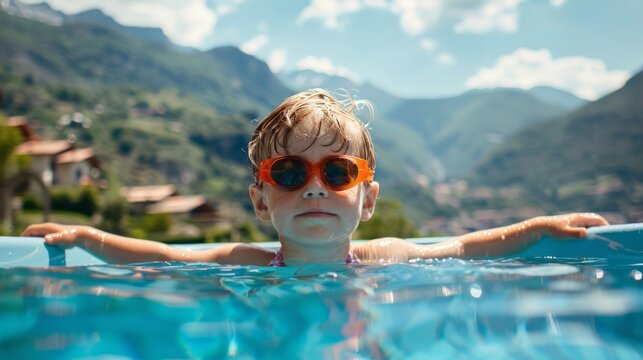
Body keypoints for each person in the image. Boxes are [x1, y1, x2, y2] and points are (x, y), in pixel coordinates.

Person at [21, 89, 609, 266]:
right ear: (260, 198)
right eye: (288, 170)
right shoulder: (244, 262)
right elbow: (161, 257)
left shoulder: (391, 254)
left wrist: (536, 226)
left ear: (367, 196)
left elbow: (465, 245)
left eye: (336, 169)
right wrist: (88, 239)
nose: (314, 186)